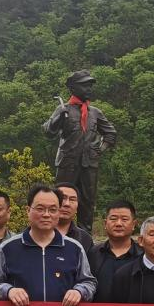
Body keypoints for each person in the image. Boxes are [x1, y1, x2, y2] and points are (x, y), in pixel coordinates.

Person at [44, 69, 118, 229]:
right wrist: (58, 117)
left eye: (90, 86)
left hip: (89, 164)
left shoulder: (95, 113)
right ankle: (57, 233)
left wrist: (100, 149)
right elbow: (48, 132)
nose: (89, 89)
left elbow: (110, 133)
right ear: (73, 88)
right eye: (85, 85)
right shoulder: (63, 109)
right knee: (60, 200)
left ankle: (85, 236)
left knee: (87, 202)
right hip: (67, 164)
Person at [54, 182, 95, 251]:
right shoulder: (37, 233)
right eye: (63, 198)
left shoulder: (85, 239)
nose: (67, 204)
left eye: (72, 199)